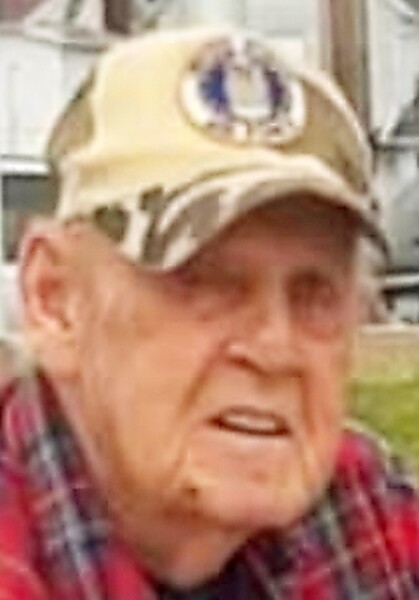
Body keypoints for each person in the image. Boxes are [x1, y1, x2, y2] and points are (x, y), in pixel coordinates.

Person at [1, 28, 418, 599]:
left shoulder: (365, 515)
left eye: (314, 293)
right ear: (54, 300)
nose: (275, 349)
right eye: (207, 285)